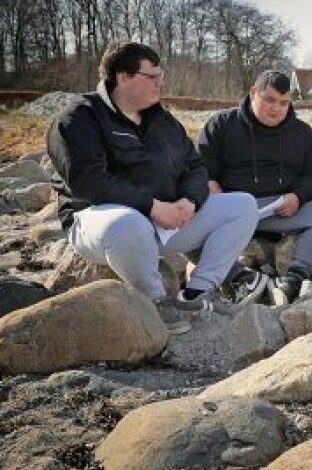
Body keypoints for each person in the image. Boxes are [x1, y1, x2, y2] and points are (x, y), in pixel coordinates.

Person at [46, 42, 260, 334]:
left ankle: (195, 294)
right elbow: (88, 182)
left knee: (244, 205)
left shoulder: (163, 120)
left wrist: (190, 201)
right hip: (101, 224)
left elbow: (195, 166)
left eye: (161, 76)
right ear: (123, 77)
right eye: (152, 77)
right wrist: (151, 206)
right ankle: (156, 302)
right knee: (127, 222)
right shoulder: (78, 117)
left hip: (166, 223)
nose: (160, 84)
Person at [198, 70, 312, 305]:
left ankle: (294, 277)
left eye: (283, 103)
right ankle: (239, 278)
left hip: (279, 210)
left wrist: (298, 196)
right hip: (232, 210)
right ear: (253, 93)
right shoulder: (222, 124)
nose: (275, 108)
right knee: (190, 220)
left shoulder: (302, 133)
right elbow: (198, 167)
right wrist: (211, 186)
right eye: (269, 100)